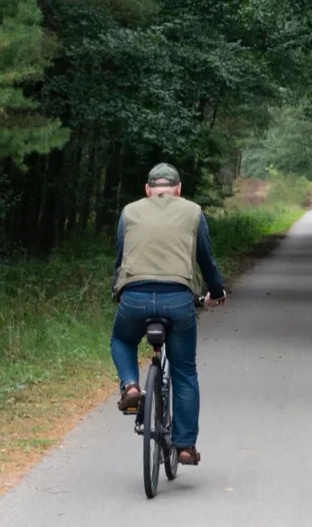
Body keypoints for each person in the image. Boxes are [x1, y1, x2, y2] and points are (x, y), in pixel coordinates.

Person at [111, 162, 226, 466]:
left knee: (122, 340)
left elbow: (121, 256)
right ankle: (185, 446)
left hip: (134, 296)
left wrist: (117, 290)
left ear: (148, 190)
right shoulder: (193, 211)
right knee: (184, 371)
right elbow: (205, 257)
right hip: (177, 299)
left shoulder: (129, 212)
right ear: (178, 190)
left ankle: (131, 386)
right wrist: (216, 291)